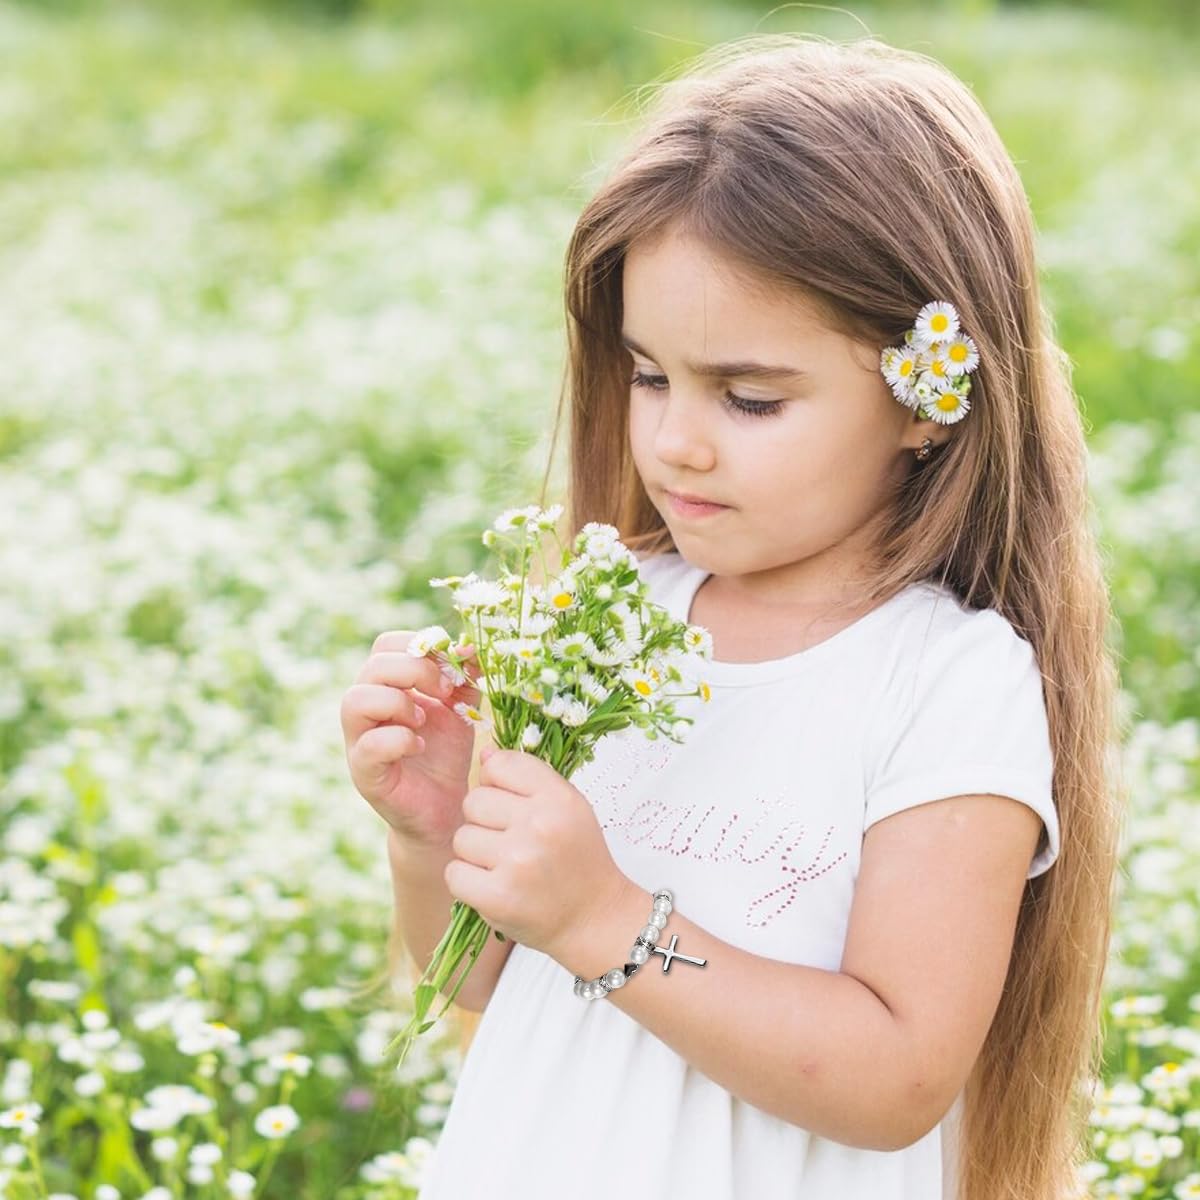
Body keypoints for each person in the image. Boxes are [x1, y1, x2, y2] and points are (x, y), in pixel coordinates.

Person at [340, 32, 1125, 1200]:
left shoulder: (944, 678)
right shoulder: (607, 614)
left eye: (749, 398)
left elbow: (898, 1076)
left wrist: (609, 919)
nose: (674, 442)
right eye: (650, 376)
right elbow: (487, 988)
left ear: (928, 397)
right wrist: (435, 836)